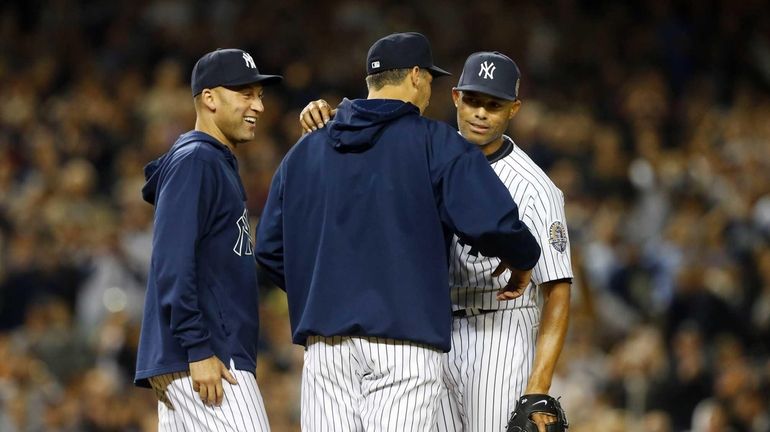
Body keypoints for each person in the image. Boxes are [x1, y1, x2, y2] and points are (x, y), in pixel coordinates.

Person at [255, 33, 541, 432]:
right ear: (416, 77)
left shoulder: (305, 150)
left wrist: (325, 291)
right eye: (429, 79)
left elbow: (269, 248)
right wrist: (524, 257)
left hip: (326, 349)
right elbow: (492, 222)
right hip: (404, 345)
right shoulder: (436, 143)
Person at [134, 48, 282, 432]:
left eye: (260, 95)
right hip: (207, 356)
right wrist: (198, 347)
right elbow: (172, 262)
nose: (258, 106)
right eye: (245, 93)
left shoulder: (212, 161)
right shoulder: (197, 160)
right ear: (210, 98)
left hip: (193, 359)